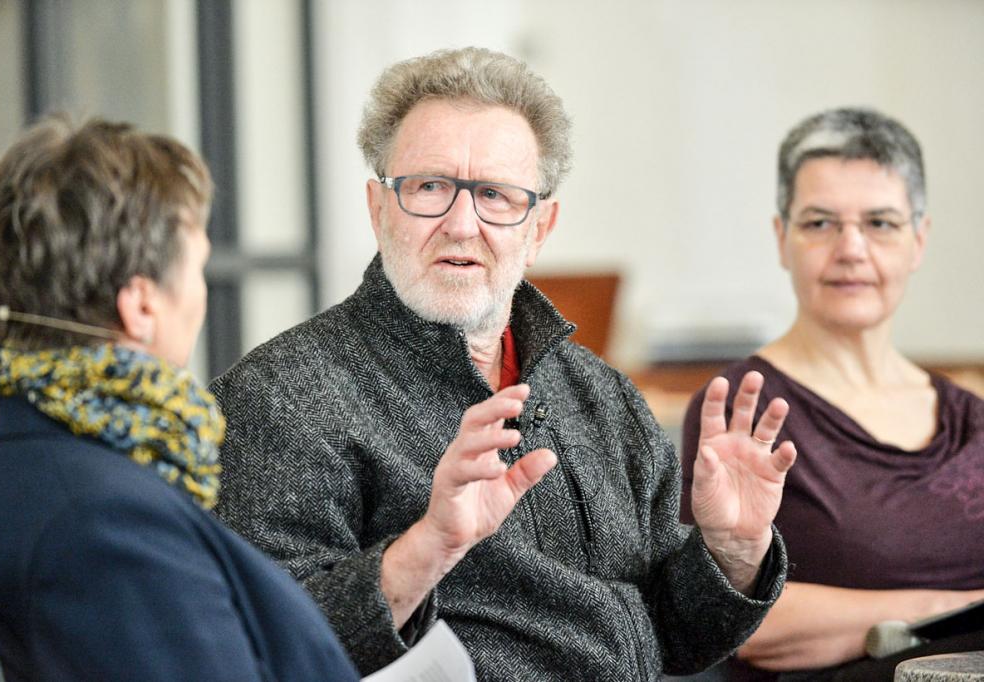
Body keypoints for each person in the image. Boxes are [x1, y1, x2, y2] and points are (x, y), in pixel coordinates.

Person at [212, 46, 798, 681]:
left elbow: (676, 640)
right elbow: (262, 647)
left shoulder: (603, 397)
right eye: (429, 187)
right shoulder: (281, 396)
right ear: (380, 210)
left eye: (494, 195)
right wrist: (428, 546)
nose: (461, 224)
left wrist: (733, 549)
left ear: (539, 228)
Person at [0, 117, 360, 681]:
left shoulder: (37, 472)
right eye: (196, 267)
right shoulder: (104, 525)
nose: (200, 291)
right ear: (141, 306)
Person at [680, 108, 984, 681]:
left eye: (881, 223)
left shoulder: (973, 420)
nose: (851, 248)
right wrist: (947, 608)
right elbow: (742, 627)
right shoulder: (742, 410)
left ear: (918, 241)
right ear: (782, 238)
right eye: (820, 223)